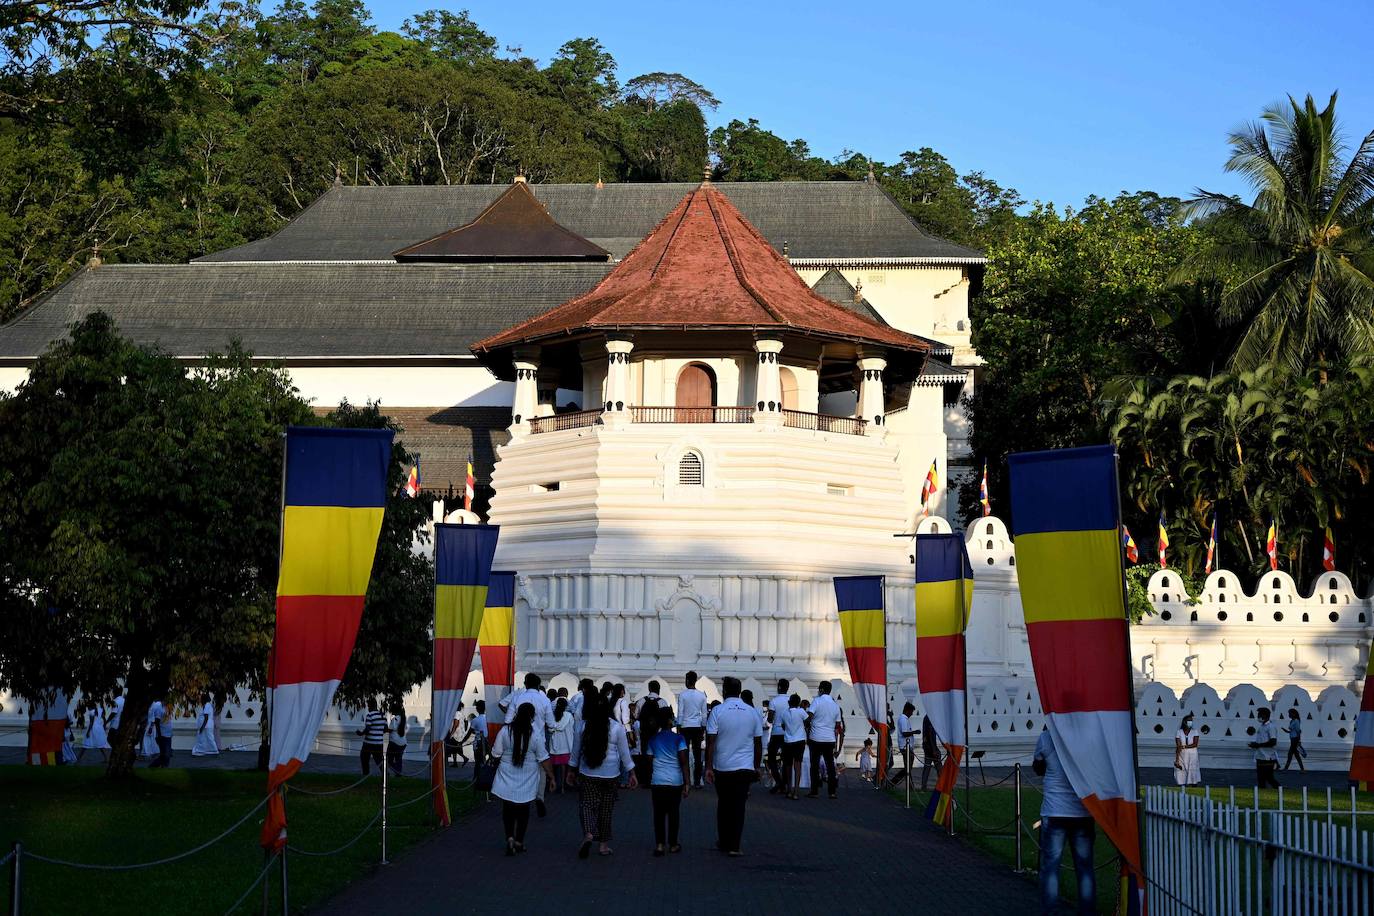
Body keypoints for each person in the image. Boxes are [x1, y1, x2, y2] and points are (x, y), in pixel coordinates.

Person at [1033, 729, 1095, 915]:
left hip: (1055, 811)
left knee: (1051, 868)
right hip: (1082, 811)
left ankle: (1050, 911)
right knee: (1084, 869)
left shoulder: (1047, 737)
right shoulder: (1086, 736)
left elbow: (1038, 769)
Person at [571, 691, 637, 858]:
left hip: (588, 773)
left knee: (587, 806)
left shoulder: (583, 726)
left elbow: (575, 752)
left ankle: (588, 833)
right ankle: (603, 846)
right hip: (611, 775)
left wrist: (571, 770)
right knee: (605, 810)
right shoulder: (616, 728)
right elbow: (624, 754)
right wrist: (632, 774)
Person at [705, 676, 763, 856]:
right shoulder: (752, 712)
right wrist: (757, 766)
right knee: (739, 806)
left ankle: (724, 840)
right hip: (745, 767)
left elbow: (711, 741)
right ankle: (735, 845)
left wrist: (707, 766)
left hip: (722, 766)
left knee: (724, 804)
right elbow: (758, 742)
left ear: (724, 691)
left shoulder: (717, 711)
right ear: (739, 691)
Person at [490, 702, 552, 856]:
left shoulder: (505, 731)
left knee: (508, 809)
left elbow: (496, 753)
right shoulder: (535, 734)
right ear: (532, 716)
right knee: (523, 811)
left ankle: (509, 838)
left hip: (506, 774)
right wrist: (552, 777)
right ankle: (519, 841)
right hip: (528, 777)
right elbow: (543, 758)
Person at [646, 706, 690, 856]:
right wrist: (687, 783)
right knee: (673, 813)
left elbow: (649, 761)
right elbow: (684, 762)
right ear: (671, 720)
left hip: (657, 781)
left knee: (658, 814)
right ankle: (673, 844)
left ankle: (659, 845)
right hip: (675, 782)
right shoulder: (679, 739)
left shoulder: (653, 739)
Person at [805, 681, 843, 799]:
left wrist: (808, 724)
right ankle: (832, 792)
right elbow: (837, 724)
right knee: (830, 766)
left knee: (814, 765)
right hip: (829, 739)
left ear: (821, 689)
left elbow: (809, 717)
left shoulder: (817, 701)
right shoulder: (835, 705)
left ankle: (814, 791)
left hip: (815, 738)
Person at [677, 671, 708, 788]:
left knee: (683, 753)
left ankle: (685, 780)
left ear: (687, 680)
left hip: (685, 726)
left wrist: (679, 727)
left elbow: (680, 713)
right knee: (697, 755)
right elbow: (704, 714)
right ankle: (697, 781)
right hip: (697, 727)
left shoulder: (683, 695)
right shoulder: (702, 695)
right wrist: (703, 728)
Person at [780, 694, 808, 800]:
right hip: (799, 741)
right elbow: (807, 721)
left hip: (788, 741)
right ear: (799, 703)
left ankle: (789, 789)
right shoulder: (801, 712)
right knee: (797, 765)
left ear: (789, 702)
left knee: (788, 766)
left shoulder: (784, 713)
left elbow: (783, 726)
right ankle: (796, 791)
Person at [765, 679, 790, 793]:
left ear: (779, 687)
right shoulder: (791, 700)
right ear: (787, 688)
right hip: (788, 733)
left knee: (771, 759)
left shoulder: (774, 701)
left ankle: (779, 783)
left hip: (776, 732)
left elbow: (770, 719)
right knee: (786, 760)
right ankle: (783, 784)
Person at [548, 697, 575, 792]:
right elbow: (572, 728)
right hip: (566, 744)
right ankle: (563, 787)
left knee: (554, 766)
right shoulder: (569, 716)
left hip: (555, 744)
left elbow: (550, 728)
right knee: (564, 766)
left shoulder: (553, 715)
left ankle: (553, 782)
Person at [1250, 707, 1280, 787]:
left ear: (1265, 715)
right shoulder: (1261, 727)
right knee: (1261, 779)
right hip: (1260, 756)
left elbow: (1273, 742)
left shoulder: (1271, 727)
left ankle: (1281, 790)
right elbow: (1261, 740)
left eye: (1260, 715)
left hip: (1268, 757)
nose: (1258, 716)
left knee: (1269, 778)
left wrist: (1258, 745)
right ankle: (1261, 793)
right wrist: (1255, 744)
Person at [357, 699, 387, 775]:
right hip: (379, 742)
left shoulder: (370, 715)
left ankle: (365, 774)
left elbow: (368, 729)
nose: (368, 708)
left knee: (364, 759)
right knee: (379, 761)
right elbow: (385, 729)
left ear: (371, 705)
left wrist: (360, 733)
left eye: (368, 706)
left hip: (369, 743)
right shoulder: (383, 715)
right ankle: (385, 774)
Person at [1174, 714, 1201, 786]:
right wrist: (1177, 759)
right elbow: (1178, 746)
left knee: (1192, 768)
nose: (1190, 722)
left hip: (1193, 754)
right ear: (1184, 722)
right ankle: (1181, 784)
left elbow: (1195, 744)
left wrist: (1184, 746)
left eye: (1191, 721)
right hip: (1182, 754)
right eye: (1189, 720)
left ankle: (1193, 783)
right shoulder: (1179, 732)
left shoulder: (1195, 731)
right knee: (1181, 770)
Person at [896, 702, 917, 786]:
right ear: (907, 710)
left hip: (907, 746)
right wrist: (915, 732)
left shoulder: (904, 719)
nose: (911, 714)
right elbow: (904, 733)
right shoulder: (903, 719)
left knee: (908, 767)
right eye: (911, 712)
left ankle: (909, 785)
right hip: (905, 747)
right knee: (908, 768)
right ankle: (896, 781)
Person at [192, 693, 219, 757]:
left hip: (206, 725)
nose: (200, 699)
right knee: (207, 738)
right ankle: (211, 750)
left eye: (201, 698)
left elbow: (206, 717)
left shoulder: (207, 705)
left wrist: (202, 727)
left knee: (204, 738)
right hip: (207, 725)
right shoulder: (207, 705)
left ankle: (201, 750)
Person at [921, 714, 942, 790]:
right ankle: (942, 786)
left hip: (927, 747)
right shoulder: (930, 717)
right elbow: (930, 734)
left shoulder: (926, 717)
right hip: (931, 748)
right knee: (939, 768)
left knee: (927, 768)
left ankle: (923, 787)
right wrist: (934, 750)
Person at [387, 705, 408, 776]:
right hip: (403, 743)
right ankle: (398, 773)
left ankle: (397, 771)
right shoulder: (404, 719)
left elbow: (389, 730)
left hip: (394, 743)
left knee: (389, 761)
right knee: (398, 760)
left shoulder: (395, 719)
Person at [471, 700, 489, 771]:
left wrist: (462, 741)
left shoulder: (475, 720)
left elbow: (470, 732)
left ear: (477, 709)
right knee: (485, 761)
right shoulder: (488, 719)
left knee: (478, 762)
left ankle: (477, 777)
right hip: (487, 742)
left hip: (478, 744)